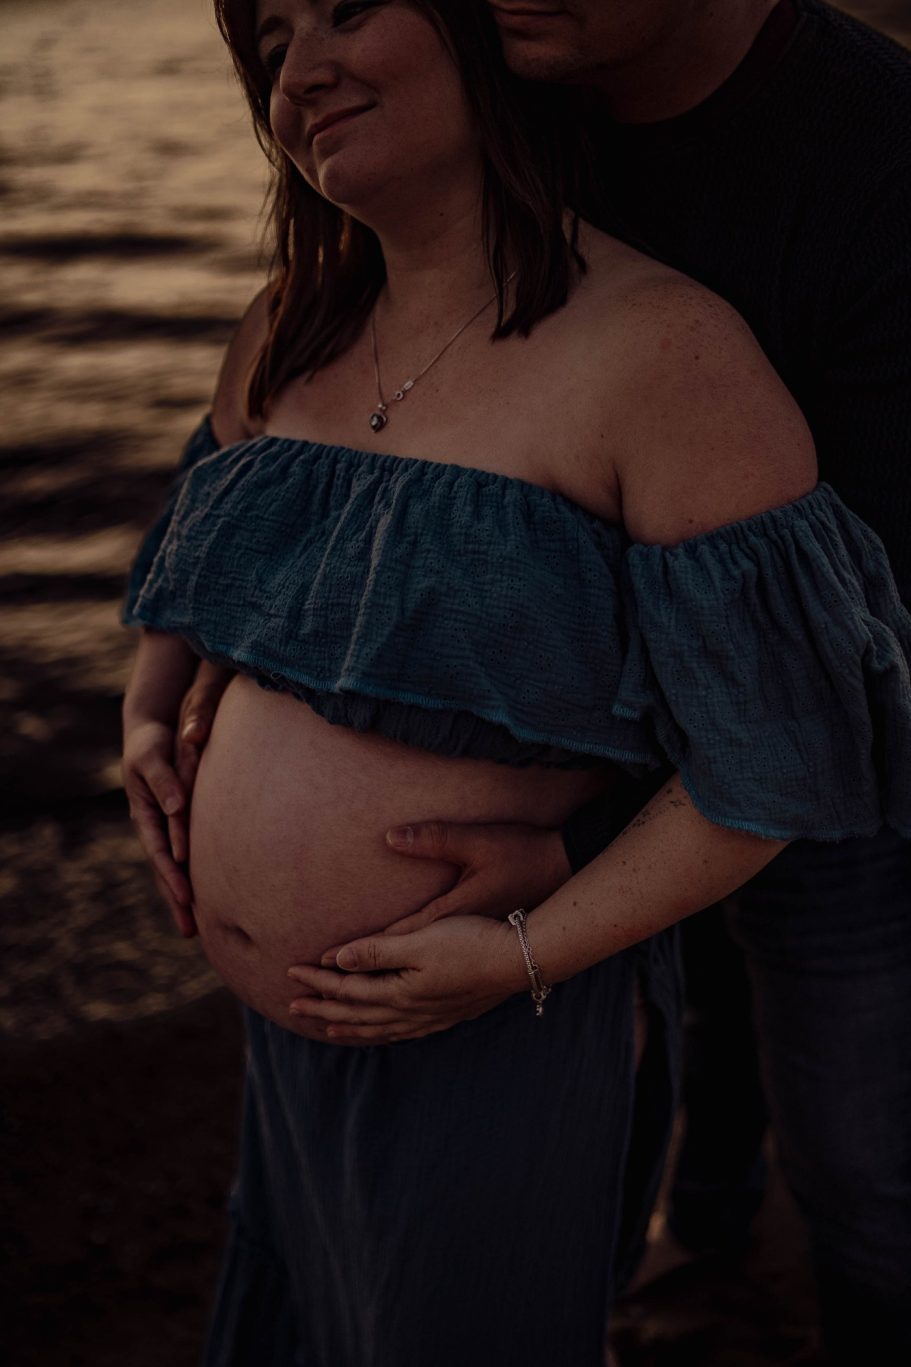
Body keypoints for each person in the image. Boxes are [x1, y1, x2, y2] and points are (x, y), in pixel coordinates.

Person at [120, 1, 911, 1363]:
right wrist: (149, 711)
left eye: (353, 8)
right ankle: (703, 1238)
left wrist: (539, 924)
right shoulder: (298, 321)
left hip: (535, 957)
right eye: (267, 41)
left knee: (861, 1158)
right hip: (303, 1053)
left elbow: (790, 729)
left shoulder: (717, 293)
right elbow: (209, 523)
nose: (301, 71)